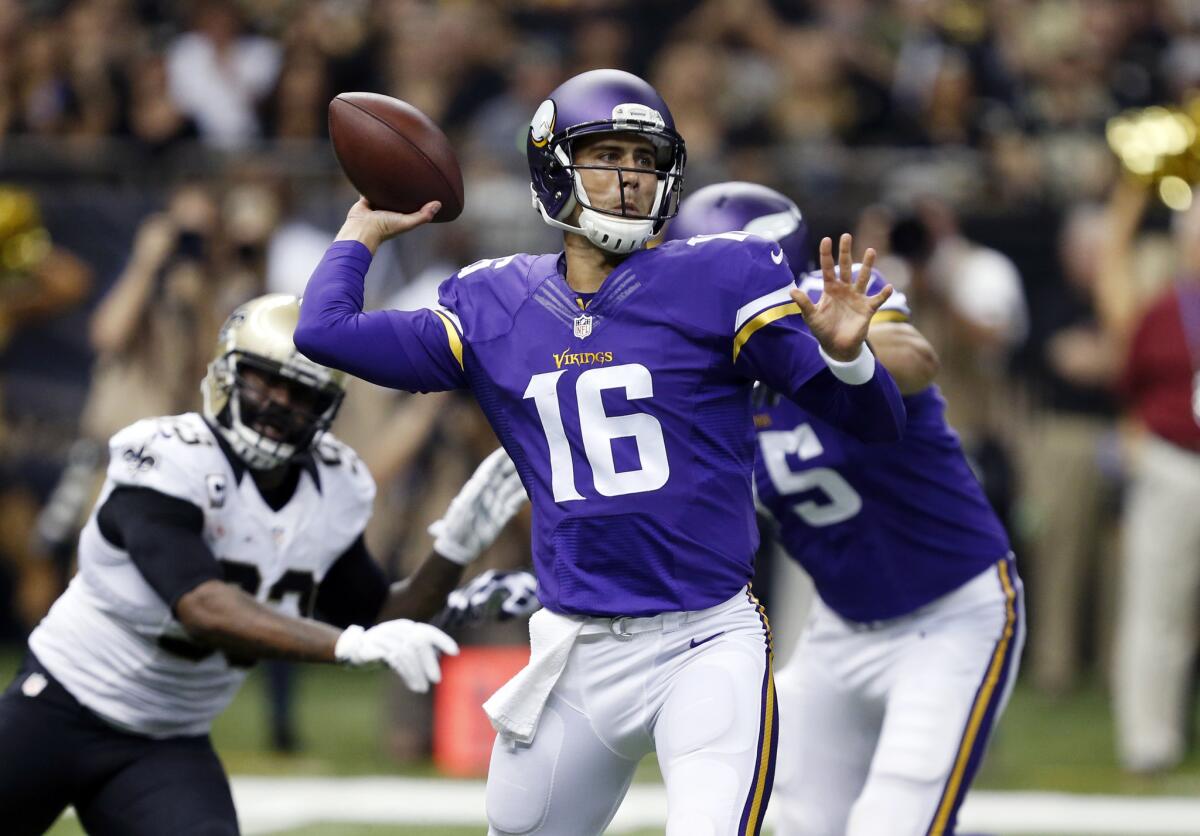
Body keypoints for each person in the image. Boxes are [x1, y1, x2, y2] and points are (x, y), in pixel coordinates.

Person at [296, 68, 905, 835]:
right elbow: (325, 331)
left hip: (704, 637)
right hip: (575, 647)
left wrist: (851, 359)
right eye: (607, 154)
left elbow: (876, 422)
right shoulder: (493, 301)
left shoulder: (722, 275)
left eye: (645, 160)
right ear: (553, 166)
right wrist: (365, 228)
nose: (629, 177)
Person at [0, 293, 527, 836]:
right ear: (227, 374)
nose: (278, 404)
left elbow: (379, 619)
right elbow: (202, 606)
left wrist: (452, 551)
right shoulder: (168, 455)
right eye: (264, 382)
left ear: (325, 406)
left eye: (299, 393)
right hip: (60, 707)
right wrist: (342, 645)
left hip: (166, 742)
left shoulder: (332, 485)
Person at [664, 181, 1025, 836]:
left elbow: (914, 359)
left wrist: (837, 351)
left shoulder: (836, 310)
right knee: (798, 820)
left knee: (896, 820)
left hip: (948, 615)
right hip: (840, 626)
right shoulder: (696, 375)